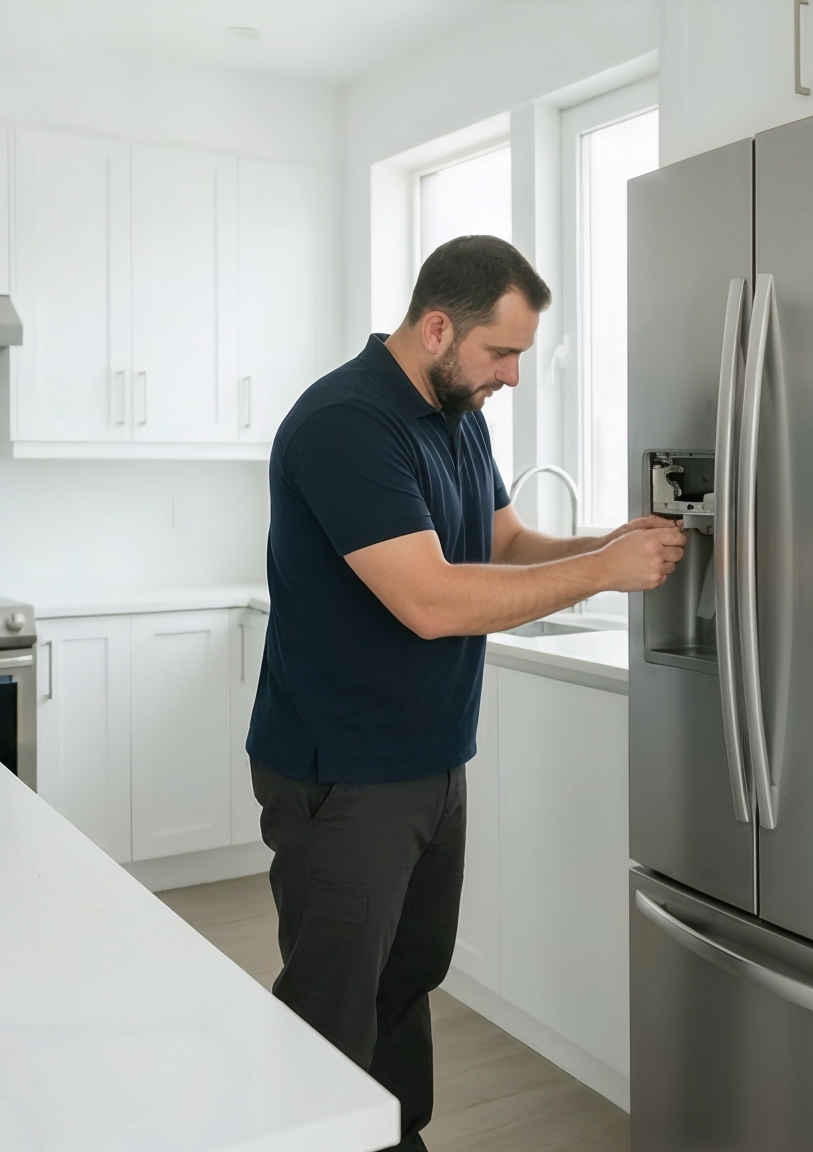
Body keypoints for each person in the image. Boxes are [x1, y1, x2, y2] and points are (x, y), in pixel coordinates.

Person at [245, 234, 686, 1152]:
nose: (513, 377)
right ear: (438, 327)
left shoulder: (458, 416)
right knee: (333, 1008)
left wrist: (611, 542)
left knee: (406, 983)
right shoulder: (346, 423)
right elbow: (432, 599)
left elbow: (509, 548)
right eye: (503, 353)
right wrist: (605, 572)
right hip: (343, 771)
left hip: (431, 759)